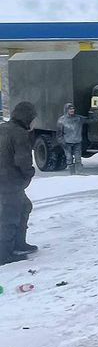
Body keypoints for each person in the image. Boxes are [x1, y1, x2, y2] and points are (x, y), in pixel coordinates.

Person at [0, 102, 38, 265]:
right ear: (27, 117)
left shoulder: (2, 128)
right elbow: (22, 160)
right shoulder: (20, 133)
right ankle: (4, 255)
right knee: (10, 217)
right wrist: (29, 173)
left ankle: (18, 243)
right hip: (10, 181)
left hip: (5, 180)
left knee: (24, 207)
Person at [56, 103, 85, 175]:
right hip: (67, 142)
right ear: (66, 110)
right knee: (69, 158)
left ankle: (79, 172)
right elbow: (59, 133)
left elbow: (90, 120)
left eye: (73, 109)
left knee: (78, 158)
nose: (72, 110)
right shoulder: (61, 120)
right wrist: (61, 141)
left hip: (77, 141)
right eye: (70, 109)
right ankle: (72, 173)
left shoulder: (79, 118)